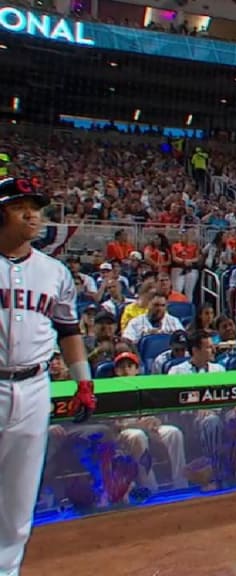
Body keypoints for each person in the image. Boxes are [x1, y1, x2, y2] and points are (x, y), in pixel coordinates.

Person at [0, 177, 96, 574]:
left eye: (36, 207)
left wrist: (83, 381)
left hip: (36, 386)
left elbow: (69, 331)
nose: (32, 214)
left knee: (19, 496)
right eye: (21, 205)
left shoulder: (54, 271)